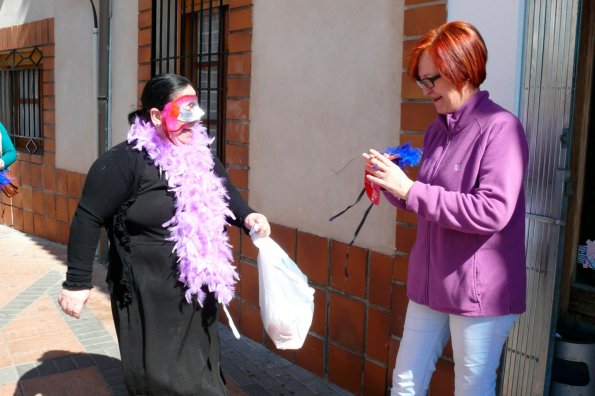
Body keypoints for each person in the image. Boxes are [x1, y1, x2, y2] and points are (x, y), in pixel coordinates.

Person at [58, 73, 270, 395]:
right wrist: (77, 282)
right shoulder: (123, 162)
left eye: (194, 114)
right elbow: (87, 218)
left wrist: (248, 215)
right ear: (156, 116)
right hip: (146, 289)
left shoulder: (200, 151)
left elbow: (225, 190)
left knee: (200, 369)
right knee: (158, 377)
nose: (192, 125)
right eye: (182, 116)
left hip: (195, 284)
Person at [363, 21, 528, 395]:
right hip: (431, 283)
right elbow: (427, 200)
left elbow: (492, 210)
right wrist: (390, 182)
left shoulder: (501, 128)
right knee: (404, 381)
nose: (426, 90)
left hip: (480, 292)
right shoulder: (437, 130)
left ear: (463, 68)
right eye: (421, 81)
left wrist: (411, 189)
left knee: (472, 388)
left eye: (431, 79)